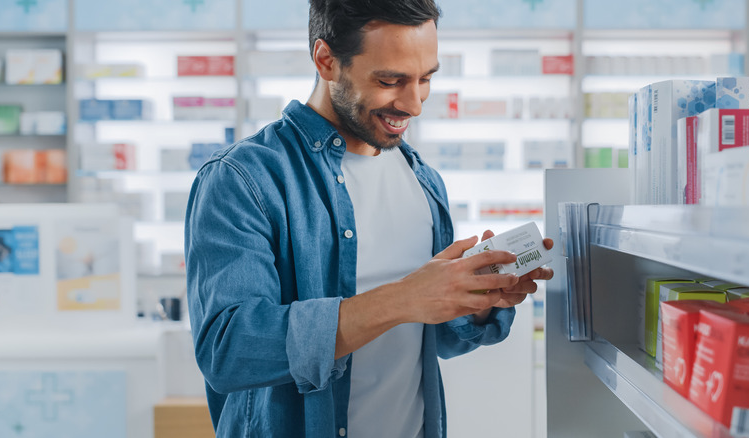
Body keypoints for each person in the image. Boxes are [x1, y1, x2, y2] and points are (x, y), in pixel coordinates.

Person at [184, 0, 554, 436]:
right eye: (391, 80)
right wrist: (401, 298)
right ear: (326, 60)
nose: (414, 104)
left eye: (425, 79)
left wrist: (473, 302)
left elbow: (432, 339)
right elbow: (228, 352)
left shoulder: (423, 181)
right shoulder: (242, 179)